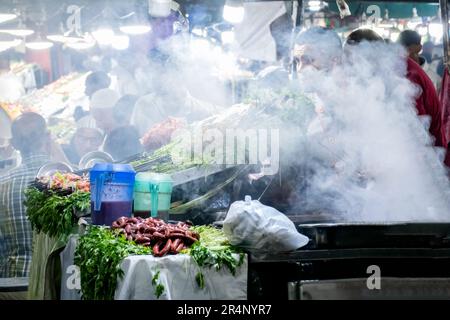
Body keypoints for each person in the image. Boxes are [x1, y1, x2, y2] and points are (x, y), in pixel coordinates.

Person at [346, 28, 446, 148]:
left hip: (430, 159)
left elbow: (415, 134)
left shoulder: (402, 75)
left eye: (351, 60)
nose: (348, 66)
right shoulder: (389, 68)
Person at [0, 113, 51, 298]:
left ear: (14, 144)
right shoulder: (71, 177)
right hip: (61, 282)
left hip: (16, 285)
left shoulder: (3, 183)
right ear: (47, 137)